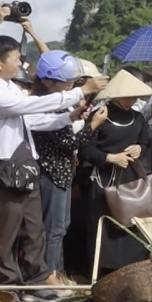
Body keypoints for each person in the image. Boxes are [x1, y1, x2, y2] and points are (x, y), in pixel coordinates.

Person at [0, 36, 105, 301]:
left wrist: (67, 117)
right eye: (15, 58)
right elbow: (28, 106)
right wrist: (78, 92)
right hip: (6, 167)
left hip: (25, 164)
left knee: (34, 228)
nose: (21, 61)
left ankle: (36, 280)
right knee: (8, 230)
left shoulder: (10, 86)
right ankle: (8, 286)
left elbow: (31, 120)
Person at [31, 50, 107, 280]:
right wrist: (92, 125)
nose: (72, 86)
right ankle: (49, 275)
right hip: (52, 172)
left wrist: (78, 117)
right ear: (47, 82)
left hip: (62, 172)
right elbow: (68, 143)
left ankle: (57, 271)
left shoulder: (60, 104)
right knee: (53, 228)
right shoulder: (46, 105)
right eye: (68, 82)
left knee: (62, 226)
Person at [79, 71, 152, 276]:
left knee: (131, 222)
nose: (131, 100)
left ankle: (133, 266)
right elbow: (85, 149)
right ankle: (101, 272)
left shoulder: (137, 117)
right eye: (127, 96)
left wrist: (140, 148)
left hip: (130, 177)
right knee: (105, 225)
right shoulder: (101, 115)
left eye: (134, 97)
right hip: (105, 179)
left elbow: (146, 141)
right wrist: (110, 158)